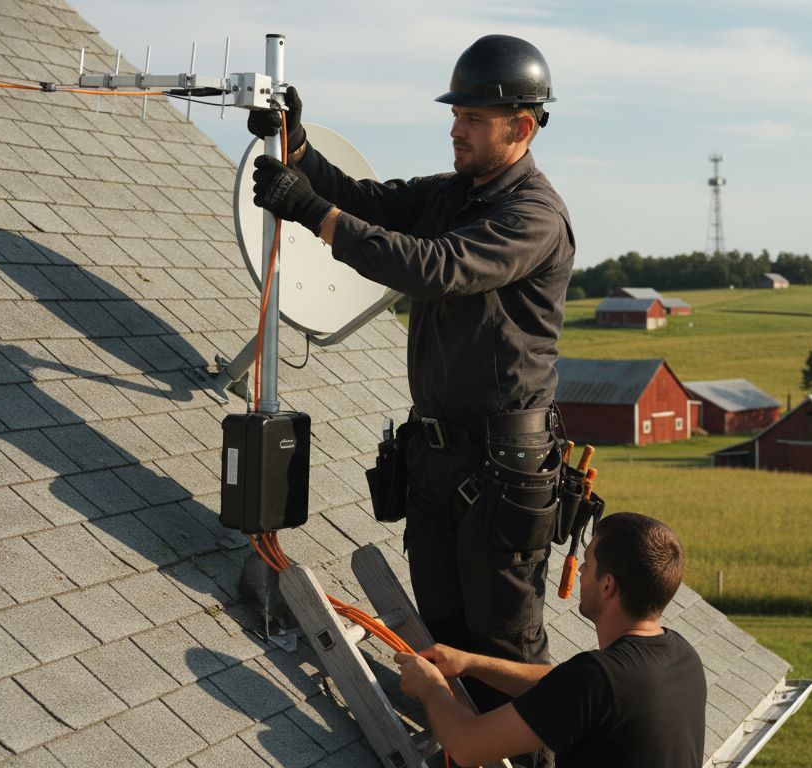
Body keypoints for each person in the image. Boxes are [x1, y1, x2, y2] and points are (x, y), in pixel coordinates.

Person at [248, 34, 575, 767]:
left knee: (499, 657)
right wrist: (298, 152)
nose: (454, 129)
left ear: (520, 127)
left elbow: (436, 268)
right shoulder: (456, 193)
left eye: (472, 118)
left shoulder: (531, 215)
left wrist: (314, 215)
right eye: (455, 114)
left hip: (501, 477)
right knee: (439, 644)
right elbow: (373, 202)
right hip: (435, 463)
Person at [394, 513, 707, 768]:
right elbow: (566, 687)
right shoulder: (683, 657)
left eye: (588, 561)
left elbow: (466, 746)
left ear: (608, 586)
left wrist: (430, 687)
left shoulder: (598, 680)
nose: (581, 570)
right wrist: (472, 664)